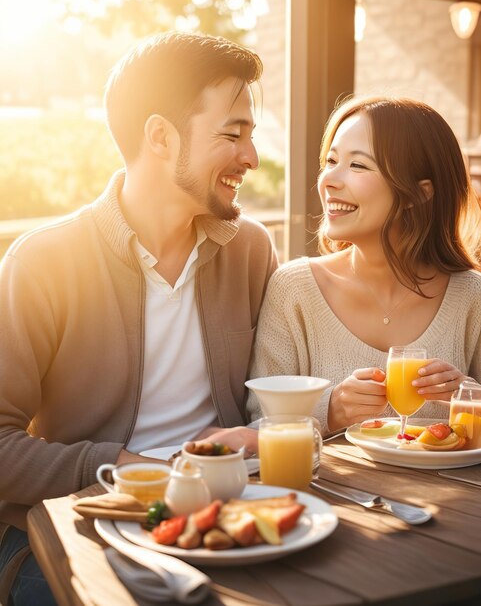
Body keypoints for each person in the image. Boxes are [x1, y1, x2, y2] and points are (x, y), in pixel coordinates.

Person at [0, 31, 278, 604]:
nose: (251, 157)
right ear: (160, 136)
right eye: (234, 133)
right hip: (82, 528)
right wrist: (127, 466)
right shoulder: (44, 261)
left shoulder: (251, 250)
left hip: (223, 517)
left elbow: (272, 399)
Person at [248, 95, 481, 435]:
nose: (329, 180)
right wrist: (330, 409)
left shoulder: (471, 296)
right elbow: (256, 422)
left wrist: (469, 398)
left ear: (419, 194)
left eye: (357, 165)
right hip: (326, 490)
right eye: (330, 161)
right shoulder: (294, 289)